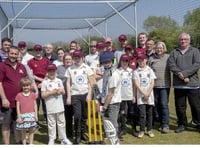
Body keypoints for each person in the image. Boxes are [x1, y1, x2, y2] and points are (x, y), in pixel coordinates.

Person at [167, 32, 200, 133]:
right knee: (180, 106)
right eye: (181, 39)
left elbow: (197, 64)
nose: (183, 41)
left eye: (185, 39)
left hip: (193, 84)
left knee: (196, 106)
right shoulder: (174, 52)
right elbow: (171, 64)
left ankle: (197, 123)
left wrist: (185, 74)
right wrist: (180, 75)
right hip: (179, 85)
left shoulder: (195, 51)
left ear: (189, 40)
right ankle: (182, 124)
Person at [0, 46, 28, 144]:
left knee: (18, 123)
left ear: (18, 55)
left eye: (16, 54)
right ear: (8, 53)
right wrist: (3, 98)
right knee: (6, 124)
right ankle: (6, 145)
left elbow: (26, 83)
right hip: (6, 102)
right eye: (12, 53)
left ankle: (18, 143)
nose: (13, 56)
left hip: (19, 102)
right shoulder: (2, 66)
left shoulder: (22, 67)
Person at [65, 50, 93, 144]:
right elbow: (68, 83)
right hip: (75, 95)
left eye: (79, 58)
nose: (77, 59)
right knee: (77, 115)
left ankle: (82, 133)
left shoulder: (87, 68)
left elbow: (91, 82)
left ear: (82, 58)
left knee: (85, 116)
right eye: (75, 58)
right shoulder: (70, 69)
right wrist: (69, 96)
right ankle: (77, 135)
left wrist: (89, 95)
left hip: (85, 94)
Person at [41, 64, 72, 145]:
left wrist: (60, 91)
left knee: (61, 122)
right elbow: (43, 95)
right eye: (50, 71)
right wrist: (51, 92)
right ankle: (52, 139)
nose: (52, 72)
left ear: (55, 71)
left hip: (60, 106)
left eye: (53, 71)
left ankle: (63, 139)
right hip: (50, 107)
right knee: (51, 124)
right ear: (47, 72)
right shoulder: (45, 82)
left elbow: (64, 91)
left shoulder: (59, 80)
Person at [149, 41, 171, 133]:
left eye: (161, 48)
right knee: (157, 104)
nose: (159, 49)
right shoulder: (151, 58)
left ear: (164, 48)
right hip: (154, 85)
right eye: (157, 48)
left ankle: (165, 125)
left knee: (164, 104)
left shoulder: (168, 57)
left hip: (165, 85)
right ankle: (161, 123)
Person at [133, 54, 156, 138]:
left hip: (149, 96)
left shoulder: (150, 70)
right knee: (142, 114)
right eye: (139, 60)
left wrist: (148, 93)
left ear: (146, 60)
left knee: (150, 113)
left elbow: (152, 83)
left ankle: (149, 130)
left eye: (142, 60)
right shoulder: (135, 71)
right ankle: (142, 130)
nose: (141, 62)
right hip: (140, 96)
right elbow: (137, 84)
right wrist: (144, 94)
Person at [99, 50, 121, 135]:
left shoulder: (113, 74)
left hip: (112, 102)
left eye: (108, 61)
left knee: (112, 122)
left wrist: (105, 106)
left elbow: (111, 93)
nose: (106, 63)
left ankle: (115, 137)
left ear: (112, 61)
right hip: (106, 100)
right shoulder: (106, 71)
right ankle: (108, 134)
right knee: (106, 121)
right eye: (104, 62)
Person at [28, 44, 51, 123]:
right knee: (35, 105)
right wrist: (40, 80)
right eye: (36, 50)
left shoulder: (46, 60)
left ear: (42, 51)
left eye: (39, 50)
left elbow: (49, 73)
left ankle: (48, 121)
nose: (38, 52)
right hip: (35, 86)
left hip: (45, 85)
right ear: (34, 51)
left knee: (46, 104)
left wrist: (43, 82)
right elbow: (31, 75)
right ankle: (35, 121)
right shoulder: (30, 61)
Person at [15, 77, 38, 145]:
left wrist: (36, 115)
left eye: (27, 85)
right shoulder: (19, 95)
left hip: (31, 115)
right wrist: (19, 116)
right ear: (21, 86)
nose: (26, 87)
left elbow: (35, 105)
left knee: (31, 130)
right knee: (23, 131)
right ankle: (24, 144)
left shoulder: (33, 95)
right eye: (24, 86)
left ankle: (31, 144)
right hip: (22, 116)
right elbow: (17, 107)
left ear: (30, 86)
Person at [117, 54, 135, 139]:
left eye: (126, 61)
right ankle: (123, 129)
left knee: (132, 113)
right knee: (122, 113)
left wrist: (134, 95)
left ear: (129, 62)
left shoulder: (132, 71)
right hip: (121, 97)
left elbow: (134, 85)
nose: (124, 62)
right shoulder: (117, 71)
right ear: (120, 61)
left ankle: (133, 129)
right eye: (123, 61)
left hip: (130, 96)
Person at [57, 53, 74, 139]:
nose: (67, 61)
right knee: (61, 116)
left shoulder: (75, 68)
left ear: (72, 60)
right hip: (61, 96)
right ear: (63, 60)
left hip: (73, 94)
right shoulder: (59, 68)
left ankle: (69, 132)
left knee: (70, 115)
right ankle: (59, 133)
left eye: (69, 59)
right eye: (66, 59)